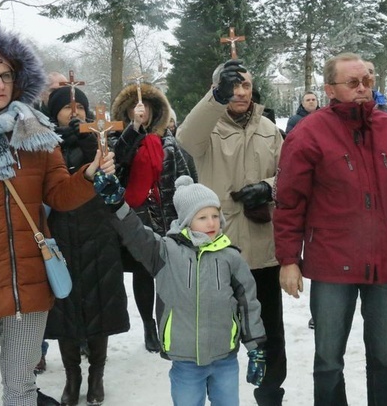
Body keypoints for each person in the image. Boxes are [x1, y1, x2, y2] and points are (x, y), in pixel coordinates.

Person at [0, 25, 114, 405]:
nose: (0, 85)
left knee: (22, 388)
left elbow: (59, 196)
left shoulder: (36, 132)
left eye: (7, 75)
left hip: (28, 283)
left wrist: (90, 174)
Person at [274, 52, 387, 406]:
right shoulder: (308, 134)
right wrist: (289, 260)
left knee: (384, 357)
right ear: (330, 89)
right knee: (328, 359)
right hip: (331, 263)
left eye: (367, 81)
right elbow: (290, 203)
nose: (362, 88)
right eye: (352, 82)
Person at [101, 175, 267, 406]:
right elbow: (136, 234)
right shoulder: (165, 253)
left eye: (214, 216)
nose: (211, 223)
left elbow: (248, 303)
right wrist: (118, 204)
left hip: (224, 358)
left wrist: (256, 348)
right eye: (202, 217)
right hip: (186, 361)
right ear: (187, 221)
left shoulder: (231, 257)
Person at [178, 59, 286, 406]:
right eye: (232, 87)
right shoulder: (207, 129)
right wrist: (214, 96)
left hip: (262, 252)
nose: (241, 93)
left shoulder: (270, 129)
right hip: (217, 252)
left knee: (269, 334)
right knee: (215, 336)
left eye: (246, 86)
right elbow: (185, 138)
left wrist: (268, 188)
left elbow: (290, 176)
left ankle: (270, 395)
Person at [44, 86, 130, 405]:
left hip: (98, 232)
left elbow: (121, 174)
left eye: (79, 104)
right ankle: (72, 377)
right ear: (55, 113)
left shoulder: (101, 139)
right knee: (64, 308)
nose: (74, 110)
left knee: (100, 305)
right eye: (67, 106)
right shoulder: (45, 144)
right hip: (61, 234)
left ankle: (96, 375)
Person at [111, 81, 194, 353]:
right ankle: (148, 325)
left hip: (167, 215)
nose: (141, 110)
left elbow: (186, 178)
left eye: (146, 105)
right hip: (137, 217)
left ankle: (166, 323)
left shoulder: (170, 143)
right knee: (143, 272)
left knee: (170, 273)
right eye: (136, 106)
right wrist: (134, 130)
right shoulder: (122, 140)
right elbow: (118, 159)